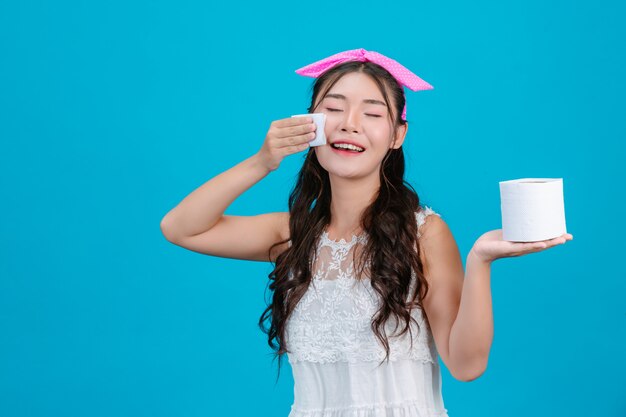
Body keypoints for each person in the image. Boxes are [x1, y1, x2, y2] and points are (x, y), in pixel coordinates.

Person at [160, 48, 573, 417]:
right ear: (309, 125)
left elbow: (467, 366)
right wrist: (263, 161)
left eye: (373, 114)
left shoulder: (423, 233)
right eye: (334, 109)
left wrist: (479, 261)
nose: (350, 124)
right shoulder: (293, 234)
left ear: (397, 135)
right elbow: (180, 228)